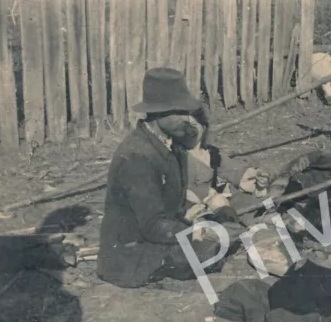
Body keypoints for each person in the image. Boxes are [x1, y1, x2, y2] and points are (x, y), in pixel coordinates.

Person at [97, 68, 237, 288]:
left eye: (187, 112)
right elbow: (152, 225)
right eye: (179, 112)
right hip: (131, 254)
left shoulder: (171, 143)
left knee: (227, 234)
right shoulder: (136, 156)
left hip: (159, 233)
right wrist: (194, 232)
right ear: (157, 113)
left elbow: (172, 200)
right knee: (215, 249)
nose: (187, 119)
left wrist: (199, 209)